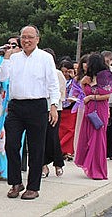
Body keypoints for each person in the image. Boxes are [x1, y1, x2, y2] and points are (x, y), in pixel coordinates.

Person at [0, 25, 59, 200]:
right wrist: (7, 58)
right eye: (23, 37)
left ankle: (33, 187)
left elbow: (53, 84)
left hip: (38, 106)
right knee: (11, 145)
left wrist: (53, 105)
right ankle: (16, 183)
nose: (26, 40)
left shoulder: (45, 58)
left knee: (36, 148)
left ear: (37, 39)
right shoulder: (14, 58)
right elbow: (2, 78)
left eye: (30, 37)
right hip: (16, 106)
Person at [74, 52, 112, 180]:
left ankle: (98, 169)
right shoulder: (88, 77)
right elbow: (83, 91)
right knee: (87, 137)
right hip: (89, 109)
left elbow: (108, 95)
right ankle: (89, 165)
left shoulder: (106, 76)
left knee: (97, 138)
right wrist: (83, 84)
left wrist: (92, 97)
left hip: (100, 109)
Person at [0, 36, 22, 181]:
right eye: (8, 44)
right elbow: (1, 79)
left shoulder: (22, 62)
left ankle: (10, 169)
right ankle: (1, 169)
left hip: (15, 101)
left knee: (13, 138)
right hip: (1, 102)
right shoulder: (1, 62)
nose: (10, 47)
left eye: (14, 45)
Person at [41, 48, 66, 178]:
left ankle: (58, 163)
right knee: (40, 138)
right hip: (39, 109)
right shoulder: (37, 72)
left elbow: (62, 93)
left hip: (55, 109)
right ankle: (43, 165)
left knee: (53, 137)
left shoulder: (58, 74)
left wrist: (53, 105)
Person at [58, 60, 79, 161]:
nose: (65, 74)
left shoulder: (74, 80)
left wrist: (74, 76)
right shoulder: (58, 79)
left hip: (71, 106)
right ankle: (60, 149)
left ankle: (68, 151)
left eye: (67, 71)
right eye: (63, 71)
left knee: (70, 130)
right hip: (61, 106)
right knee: (61, 130)